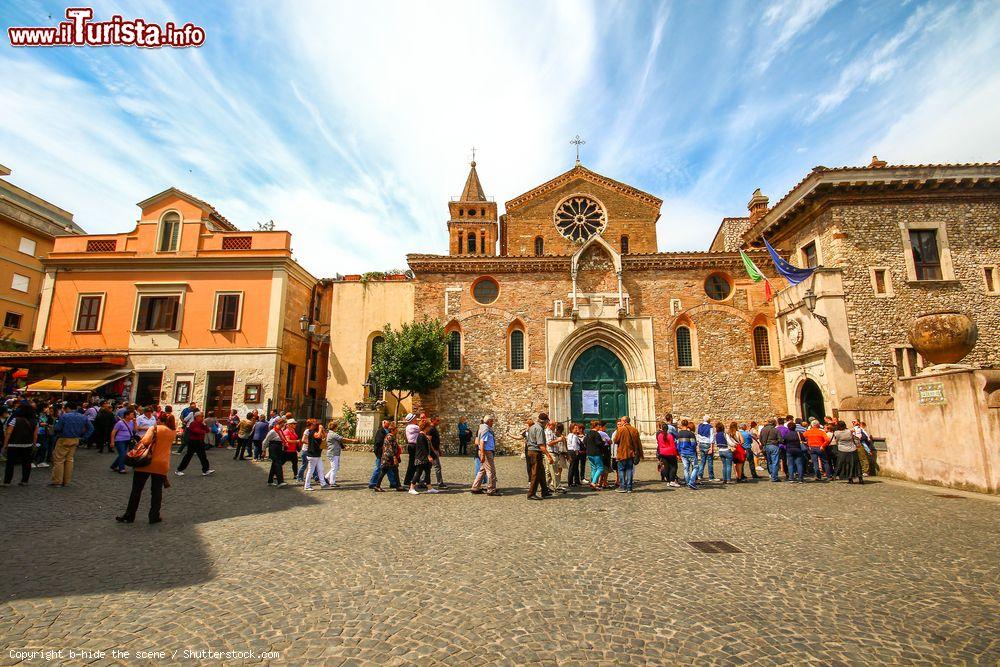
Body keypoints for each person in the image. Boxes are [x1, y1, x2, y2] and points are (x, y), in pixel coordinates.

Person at [116, 412, 175, 524]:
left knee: (137, 490)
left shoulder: (154, 429)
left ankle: (129, 515)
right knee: (156, 491)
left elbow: (145, 441)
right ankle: (154, 516)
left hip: (146, 462)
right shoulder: (172, 432)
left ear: (159, 420)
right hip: (162, 463)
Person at [51, 402, 93, 487]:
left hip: (64, 439)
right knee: (69, 460)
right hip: (75, 439)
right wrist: (84, 438)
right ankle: (66, 481)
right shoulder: (83, 417)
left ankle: (57, 481)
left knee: (59, 460)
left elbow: (57, 428)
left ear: (67, 408)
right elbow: (91, 428)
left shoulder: (65, 416)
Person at [3, 404, 37, 486]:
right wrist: (34, 444)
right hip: (27, 444)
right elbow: (35, 435)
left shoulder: (15, 420)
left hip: (13, 444)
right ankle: (25, 480)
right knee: (26, 463)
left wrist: (5, 444)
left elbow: (9, 432)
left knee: (10, 463)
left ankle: (7, 481)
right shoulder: (34, 421)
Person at [175, 412, 214, 476]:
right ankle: (179, 470)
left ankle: (206, 470)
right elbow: (196, 431)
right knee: (188, 456)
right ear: (197, 417)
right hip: (193, 442)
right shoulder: (193, 423)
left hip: (200, 442)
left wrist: (204, 425)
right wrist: (203, 431)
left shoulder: (202, 424)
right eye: (201, 416)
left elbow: (207, 430)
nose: (203, 418)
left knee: (203, 456)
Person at [525, 412, 552, 500]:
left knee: (541, 472)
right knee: (536, 473)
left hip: (531, 451)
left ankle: (545, 491)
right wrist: (549, 456)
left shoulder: (532, 427)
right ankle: (531, 494)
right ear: (545, 421)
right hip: (535, 452)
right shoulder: (539, 429)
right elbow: (541, 445)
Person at [470, 415, 498, 495]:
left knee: (482, 470)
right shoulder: (485, 429)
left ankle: (475, 487)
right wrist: (482, 454)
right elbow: (482, 442)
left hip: (485, 452)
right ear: (489, 421)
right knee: (491, 471)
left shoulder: (482, 427)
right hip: (486, 452)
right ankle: (491, 490)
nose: (493, 423)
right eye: (492, 421)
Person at [325, 420, 359, 487]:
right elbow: (342, 439)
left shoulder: (331, 433)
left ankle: (326, 477)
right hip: (333, 453)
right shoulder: (333, 434)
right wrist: (353, 440)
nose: (337, 428)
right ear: (334, 427)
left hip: (335, 452)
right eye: (336, 427)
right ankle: (332, 482)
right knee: (334, 468)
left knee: (336, 467)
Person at [368, 419, 400, 490]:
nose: (388, 425)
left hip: (387, 454)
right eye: (387, 423)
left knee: (390, 469)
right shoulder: (381, 431)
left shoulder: (387, 432)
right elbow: (379, 443)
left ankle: (394, 483)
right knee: (379, 468)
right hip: (382, 454)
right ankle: (373, 483)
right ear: (383, 423)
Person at [612, 416, 642, 493]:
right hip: (631, 453)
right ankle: (629, 487)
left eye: (621, 421)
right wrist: (639, 453)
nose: (621, 422)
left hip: (622, 453)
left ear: (625, 421)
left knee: (621, 470)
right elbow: (638, 442)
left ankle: (622, 486)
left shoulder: (620, 429)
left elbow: (615, 440)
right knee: (629, 470)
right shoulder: (634, 430)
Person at [409, 419, 437, 495]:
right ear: (426, 427)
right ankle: (411, 488)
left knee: (427, 472)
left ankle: (429, 488)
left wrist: (433, 456)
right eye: (429, 426)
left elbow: (428, 447)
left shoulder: (424, 435)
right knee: (418, 473)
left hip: (425, 458)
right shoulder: (421, 436)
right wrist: (428, 456)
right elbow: (423, 448)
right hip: (421, 458)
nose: (430, 428)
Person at [301, 420, 330, 491]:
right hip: (312, 454)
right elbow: (317, 436)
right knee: (311, 470)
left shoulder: (315, 432)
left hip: (317, 454)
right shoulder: (312, 432)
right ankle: (307, 486)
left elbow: (324, 436)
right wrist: (320, 429)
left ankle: (323, 484)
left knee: (320, 469)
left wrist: (322, 430)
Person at [109, 408, 137, 474]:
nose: (133, 416)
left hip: (128, 440)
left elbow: (135, 430)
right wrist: (112, 441)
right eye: (132, 415)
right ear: (127, 416)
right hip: (120, 440)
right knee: (123, 454)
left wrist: (135, 423)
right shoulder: (120, 423)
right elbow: (113, 432)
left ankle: (114, 466)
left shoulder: (131, 422)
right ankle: (121, 469)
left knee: (122, 454)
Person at [265, 419, 290, 487]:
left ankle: (270, 481)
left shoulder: (280, 431)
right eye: (283, 423)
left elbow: (282, 440)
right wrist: (263, 450)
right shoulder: (272, 431)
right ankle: (280, 481)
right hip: (273, 448)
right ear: (280, 423)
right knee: (278, 464)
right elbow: (265, 441)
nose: (284, 425)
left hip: (279, 448)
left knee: (274, 465)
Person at [544, 421, 567, 494]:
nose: (555, 428)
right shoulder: (549, 432)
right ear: (550, 425)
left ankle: (546, 486)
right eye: (554, 426)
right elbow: (549, 443)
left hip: (552, 453)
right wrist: (559, 439)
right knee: (555, 471)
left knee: (549, 472)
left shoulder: (550, 432)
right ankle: (557, 487)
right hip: (552, 453)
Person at [676, 419, 699, 489]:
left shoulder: (679, 434)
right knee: (696, 467)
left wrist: (679, 453)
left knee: (686, 468)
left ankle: (688, 482)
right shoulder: (690, 434)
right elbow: (693, 444)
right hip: (691, 452)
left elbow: (677, 445)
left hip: (682, 453)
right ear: (687, 425)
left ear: (682, 425)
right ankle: (691, 482)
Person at [783, 417, 806, 483]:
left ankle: (791, 478)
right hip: (798, 449)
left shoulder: (787, 435)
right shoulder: (799, 434)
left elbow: (783, 442)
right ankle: (800, 478)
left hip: (789, 450)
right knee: (799, 464)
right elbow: (803, 440)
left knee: (790, 464)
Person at [583, 420, 606, 491]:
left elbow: (584, 441)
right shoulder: (596, 434)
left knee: (593, 468)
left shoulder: (588, 433)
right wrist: (603, 441)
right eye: (599, 425)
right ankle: (593, 482)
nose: (600, 427)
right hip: (596, 453)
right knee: (600, 468)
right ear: (596, 426)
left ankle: (593, 482)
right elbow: (599, 443)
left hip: (589, 453)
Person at [656, 421, 679, 486]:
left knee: (666, 467)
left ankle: (668, 481)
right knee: (674, 467)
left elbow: (659, 444)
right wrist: (676, 454)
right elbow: (673, 446)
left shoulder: (660, 436)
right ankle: (672, 480)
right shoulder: (669, 436)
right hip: (670, 453)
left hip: (662, 453)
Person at [428, 416, 448, 490]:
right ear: (433, 420)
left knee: (428, 466)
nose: (438, 422)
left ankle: (422, 481)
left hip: (435, 450)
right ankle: (440, 483)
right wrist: (432, 451)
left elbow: (435, 441)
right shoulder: (431, 429)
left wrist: (439, 450)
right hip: (432, 451)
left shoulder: (433, 428)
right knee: (437, 467)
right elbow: (429, 441)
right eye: (437, 420)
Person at [402, 413, 420, 488]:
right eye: (415, 418)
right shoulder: (413, 426)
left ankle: (413, 479)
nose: (416, 419)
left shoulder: (409, 426)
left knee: (413, 463)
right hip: (414, 446)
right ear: (412, 420)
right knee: (413, 464)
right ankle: (409, 480)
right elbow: (422, 427)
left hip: (412, 446)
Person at [696, 416, 716, 481]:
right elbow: (712, 437)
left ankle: (700, 475)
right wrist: (712, 447)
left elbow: (698, 436)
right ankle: (711, 476)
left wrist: (698, 445)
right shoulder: (710, 427)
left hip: (701, 444)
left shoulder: (700, 426)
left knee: (702, 461)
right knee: (710, 461)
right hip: (707, 444)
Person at [566, 422, 583, 487]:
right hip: (573, 451)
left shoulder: (569, 435)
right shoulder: (574, 436)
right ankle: (570, 482)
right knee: (573, 467)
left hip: (570, 451)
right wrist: (576, 452)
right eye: (575, 428)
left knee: (575, 467)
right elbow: (574, 445)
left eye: (577, 428)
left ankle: (576, 481)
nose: (576, 429)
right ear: (572, 428)